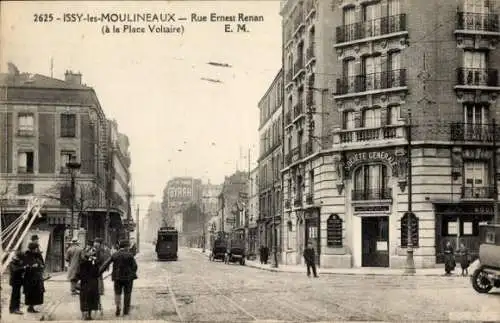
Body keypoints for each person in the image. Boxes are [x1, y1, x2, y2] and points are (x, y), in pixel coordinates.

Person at [99, 240, 138, 316]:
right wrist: (132, 272)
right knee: (127, 294)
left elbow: (105, 264)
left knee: (117, 293)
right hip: (128, 278)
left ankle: (118, 307)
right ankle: (126, 311)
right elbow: (135, 266)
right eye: (128, 246)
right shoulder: (130, 255)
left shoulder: (115, 255)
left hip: (117, 277)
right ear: (126, 246)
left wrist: (98, 272)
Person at [77, 247, 101, 320]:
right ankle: (90, 315)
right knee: (91, 299)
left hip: (84, 284)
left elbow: (78, 274)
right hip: (93, 284)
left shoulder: (82, 263)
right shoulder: (95, 263)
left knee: (84, 299)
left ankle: (84, 315)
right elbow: (97, 274)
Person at [23, 242, 45, 313]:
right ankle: (30, 307)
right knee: (30, 292)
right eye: (36, 248)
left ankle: (32, 307)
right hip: (30, 277)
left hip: (37, 277)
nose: (37, 249)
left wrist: (40, 266)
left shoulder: (38, 255)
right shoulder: (27, 255)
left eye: (37, 248)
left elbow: (42, 263)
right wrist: (31, 266)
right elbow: (24, 265)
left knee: (37, 292)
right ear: (32, 249)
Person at [9, 250, 25, 314]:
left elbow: (20, 270)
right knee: (15, 295)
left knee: (17, 295)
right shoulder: (13, 262)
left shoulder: (17, 262)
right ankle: (14, 309)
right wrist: (23, 267)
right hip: (15, 281)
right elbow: (15, 270)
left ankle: (14, 309)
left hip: (18, 281)